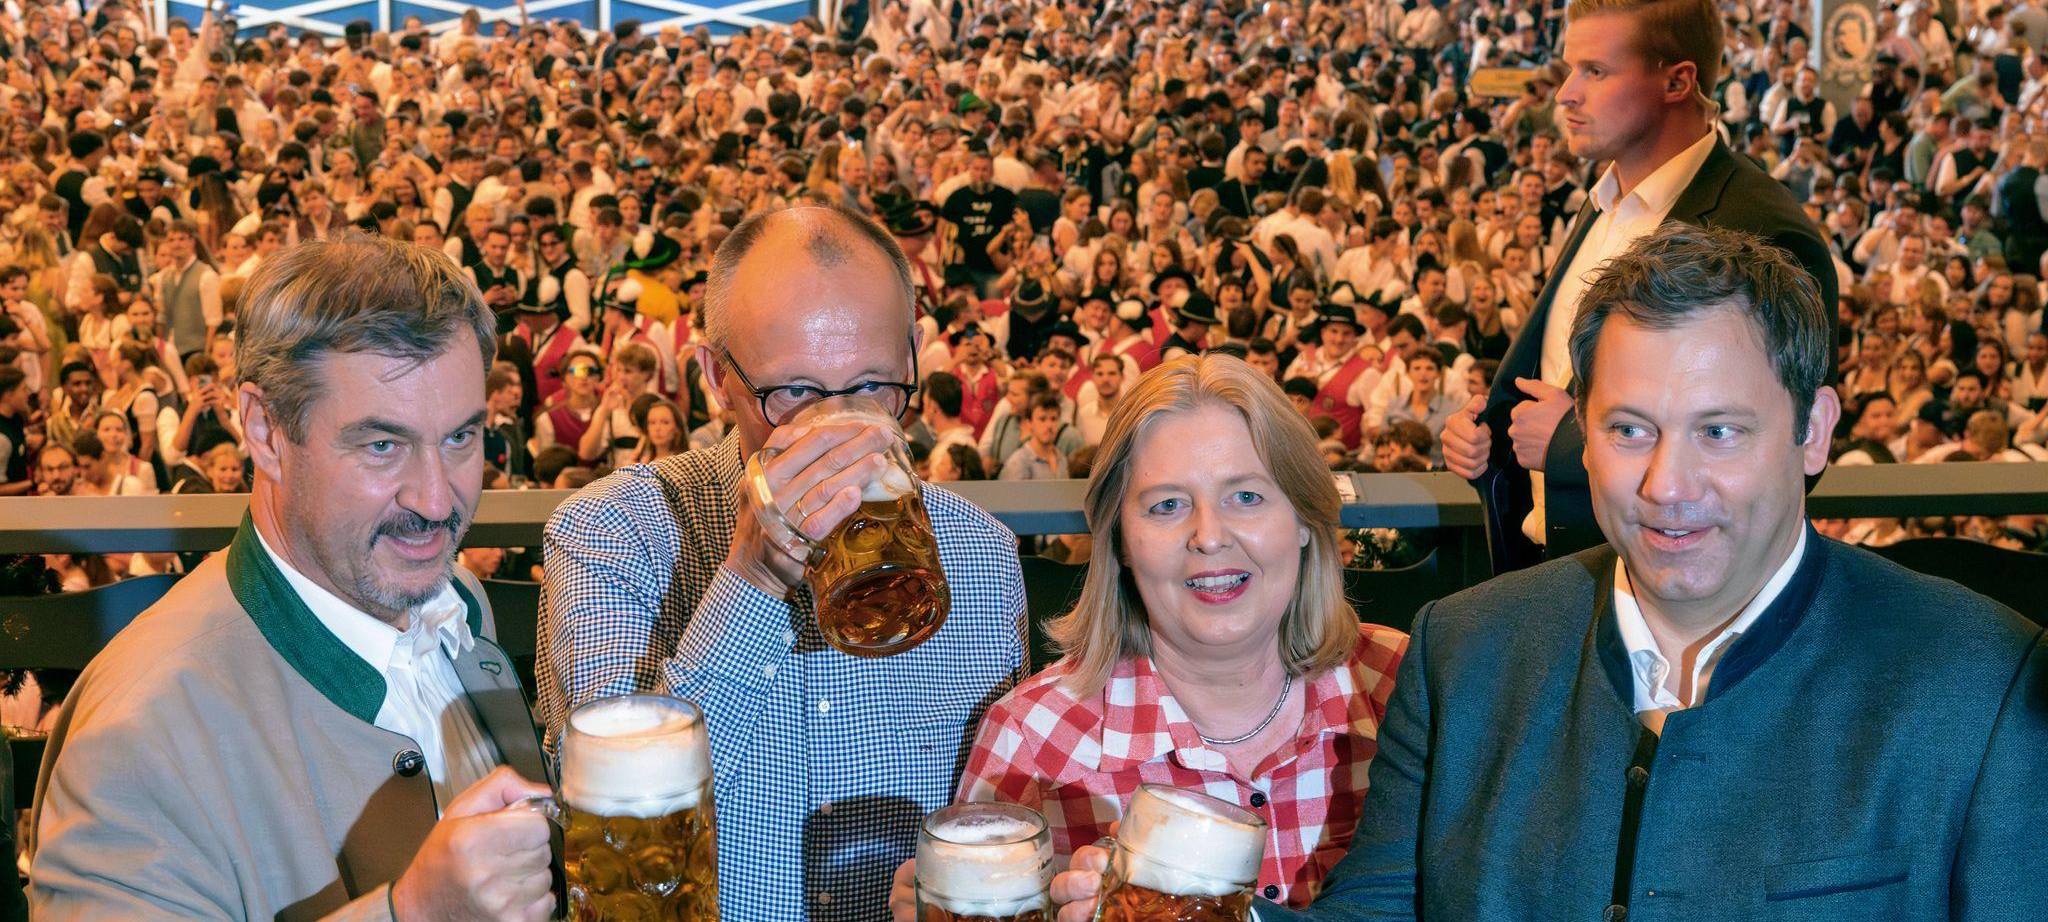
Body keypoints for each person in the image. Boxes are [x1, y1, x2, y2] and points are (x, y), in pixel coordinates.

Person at [1241, 225, 2048, 920]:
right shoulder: (1465, 649)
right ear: (1580, 435)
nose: (1668, 485)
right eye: (1630, 429)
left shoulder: (1979, 684)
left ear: (1814, 432)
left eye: (1721, 432)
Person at [29, 234, 558, 921]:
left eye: (461, 437)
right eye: (381, 445)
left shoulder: (455, 603)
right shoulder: (138, 735)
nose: (437, 500)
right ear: (265, 431)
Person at [537, 202, 1026, 920]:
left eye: (869, 387)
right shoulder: (612, 532)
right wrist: (752, 579)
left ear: (915, 358)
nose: (830, 430)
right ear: (714, 375)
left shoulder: (981, 555)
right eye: (792, 392)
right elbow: (617, 843)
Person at [904, 354, 1405, 920]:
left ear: (1307, 521)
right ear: (1118, 540)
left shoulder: (1405, 685)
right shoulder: (1031, 742)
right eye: (1167, 505)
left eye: (1246, 496)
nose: (1209, 537)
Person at [1440, 0, 1837, 573]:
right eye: (1572, 69)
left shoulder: (1760, 227)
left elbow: (1789, 448)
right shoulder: (1602, 204)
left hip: (1670, 590)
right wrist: (1486, 439)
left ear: (1677, 81)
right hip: (1555, 576)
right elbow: (1548, 394)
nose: (1566, 94)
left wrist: (1571, 448)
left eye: (1595, 72)